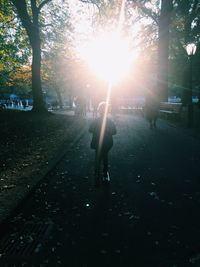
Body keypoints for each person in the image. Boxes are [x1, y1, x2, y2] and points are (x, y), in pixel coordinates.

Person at [89, 101, 117, 186]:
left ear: (99, 110)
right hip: (107, 142)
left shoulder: (96, 121)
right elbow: (114, 132)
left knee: (97, 157)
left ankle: (97, 174)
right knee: (105, 157)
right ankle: (105, 174)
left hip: (97, 141)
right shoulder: (110, 121)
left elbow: (90, 130)